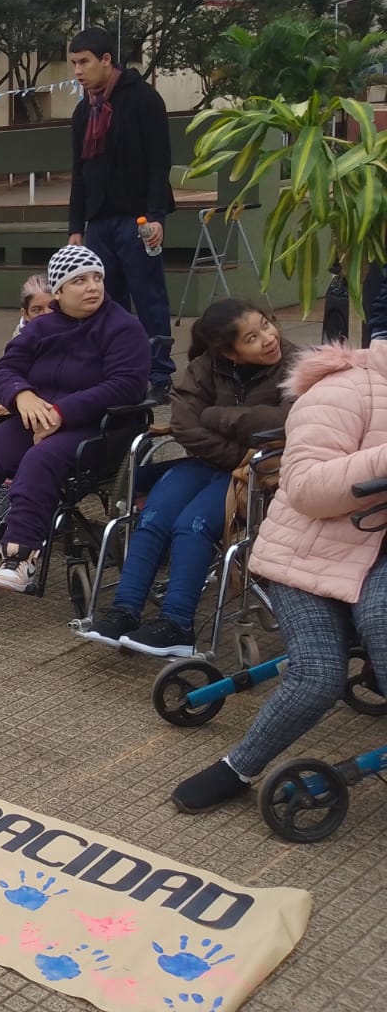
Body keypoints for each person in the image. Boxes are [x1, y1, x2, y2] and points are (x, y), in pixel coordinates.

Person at [170, 335, 387, 814]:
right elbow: (307, 488)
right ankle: (238, 767)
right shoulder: (346, 388)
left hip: (376, 564)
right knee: (317, 674)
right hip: (307, 559)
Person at [0, 245, 149, 592]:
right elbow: (6, 368)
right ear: (60, 290)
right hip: (38, 420)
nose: (92, 287)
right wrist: (21, 395)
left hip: (100, 429)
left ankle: (22, 556)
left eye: (97, 278)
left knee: (42, 457)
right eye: (80, 280)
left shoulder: (123, 327)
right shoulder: (42, 328)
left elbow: (125, 386)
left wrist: (61, 413)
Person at [81, 300, 298, 657]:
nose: (269, 338)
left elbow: (287, 419)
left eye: (266, 325)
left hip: (259, 473)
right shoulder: (204, 368)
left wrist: (218, 416)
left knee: (192, 524)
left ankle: (178, 625)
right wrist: (233, 450)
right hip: (215, 462)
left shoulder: (296, 365)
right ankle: (125, 609)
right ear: (230, 352)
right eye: (252, 337)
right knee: (153, 517)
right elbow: (184, 424)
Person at [68, 26, 176, 402]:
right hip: (98, 221)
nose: (78, 71)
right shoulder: (85, 110)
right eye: (73, 63)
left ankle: (160, 374)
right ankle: (117, 372)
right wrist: (75, 228)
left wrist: (156, 214)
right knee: (103, 298)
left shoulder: (143, 99)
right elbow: (79, 172)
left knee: (149, 296)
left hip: (138, 218)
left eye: (84, 62)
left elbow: (159, 162)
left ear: (106, 60)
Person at [0, 276, 55, 414]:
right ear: (25, 314)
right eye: (37, 310)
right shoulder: (21, 333)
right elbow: (2, 369)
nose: (46, 315)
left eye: (52, 307)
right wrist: (8, 397)